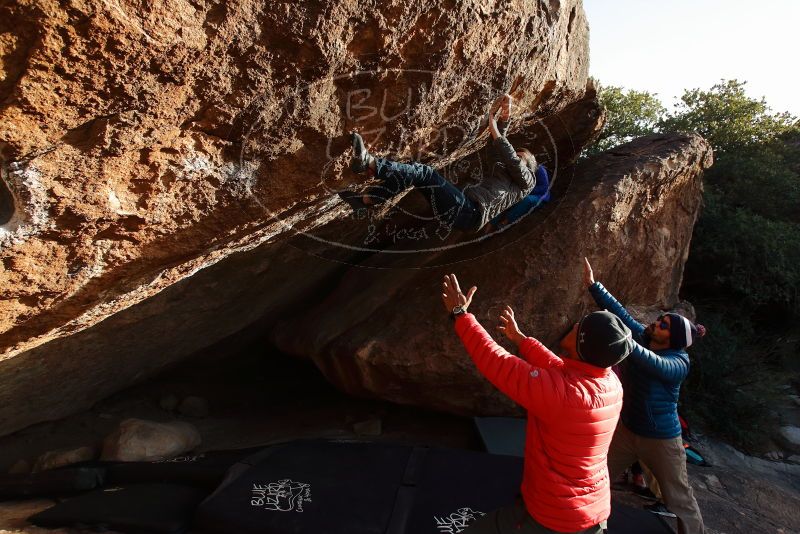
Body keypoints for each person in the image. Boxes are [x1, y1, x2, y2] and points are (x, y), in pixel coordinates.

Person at [440, 273, 634, 533]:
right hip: (593, 512)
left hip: (555, 516)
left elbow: (497, 362)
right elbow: (560, 368)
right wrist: (522, 340)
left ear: (582, 344)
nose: (575, 324)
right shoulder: (610, 383)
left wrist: (460, 315)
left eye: (580, 326)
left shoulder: (563, 395)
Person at [582, 258, 707, 534]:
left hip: (661, 439)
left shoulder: (678, 361)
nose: (655, 325)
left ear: (672, 340)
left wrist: (622, 340)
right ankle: (586, 526)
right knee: (596, 478)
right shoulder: (643, 337)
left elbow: (654, 363)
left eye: (662, 326)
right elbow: (623, 316)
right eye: (659, 320)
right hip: (627, 431)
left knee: (679, 499)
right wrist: (595, 286)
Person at [339, 94, 537, 233]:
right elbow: (498, 147)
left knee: (424, 172)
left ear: (527, 167)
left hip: (470, 213)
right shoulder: (502, 172)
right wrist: (506, 115)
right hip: (464, 211)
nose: (515, 158)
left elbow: (510, 157)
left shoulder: (528, 183)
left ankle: (369, 163)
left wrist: (495, 130)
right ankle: (366, 200)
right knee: (415, 176)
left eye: (521, 158)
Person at [487, 163, 552, 231]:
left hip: (539, 196)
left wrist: (526, 192)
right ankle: (489, 225)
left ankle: (505, 222)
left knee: (527, 200)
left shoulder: (539, 169)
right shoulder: (516, 171)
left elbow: (544, 188)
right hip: (521, 194)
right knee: (505, 198)